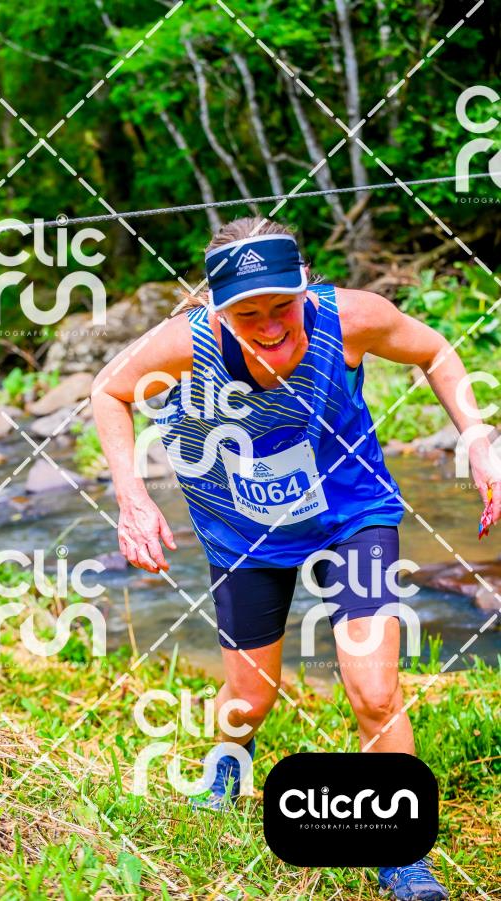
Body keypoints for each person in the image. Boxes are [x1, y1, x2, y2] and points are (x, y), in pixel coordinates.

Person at [91, 217, 500, 901]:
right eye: (247, 314)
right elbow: (110, 389)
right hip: (243, 528)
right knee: (251, 697)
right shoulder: (188, 342)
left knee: (374, 690)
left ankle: (400, 851)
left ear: (306, 285)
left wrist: (479, 443)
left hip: (351, 514)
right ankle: (232, 755)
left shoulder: (352, 319)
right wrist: (131, 497)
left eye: (282, 305)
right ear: (217, 308)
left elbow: (434, 350)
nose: (270, 326)